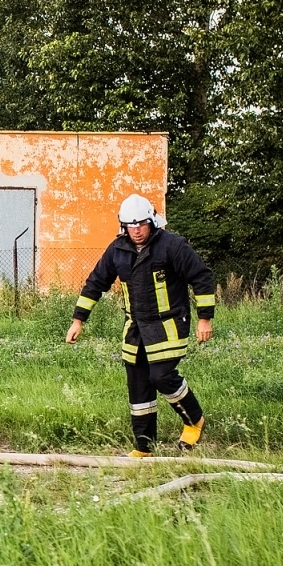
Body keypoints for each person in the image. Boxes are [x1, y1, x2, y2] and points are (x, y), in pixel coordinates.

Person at [65, 194, 215, 455]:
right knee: (138, 383)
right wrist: (78, 320)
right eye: (130, 226)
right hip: (135, 328)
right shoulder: (117, 249)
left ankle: (194, 421)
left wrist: (205, 318)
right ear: (123, 226)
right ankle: (145, 446)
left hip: (169, 324)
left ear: (152, 222)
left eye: (141, 224)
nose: (136, 230)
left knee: (161, 376)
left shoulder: (172, 245)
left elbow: (202, 277)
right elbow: (95, 283)